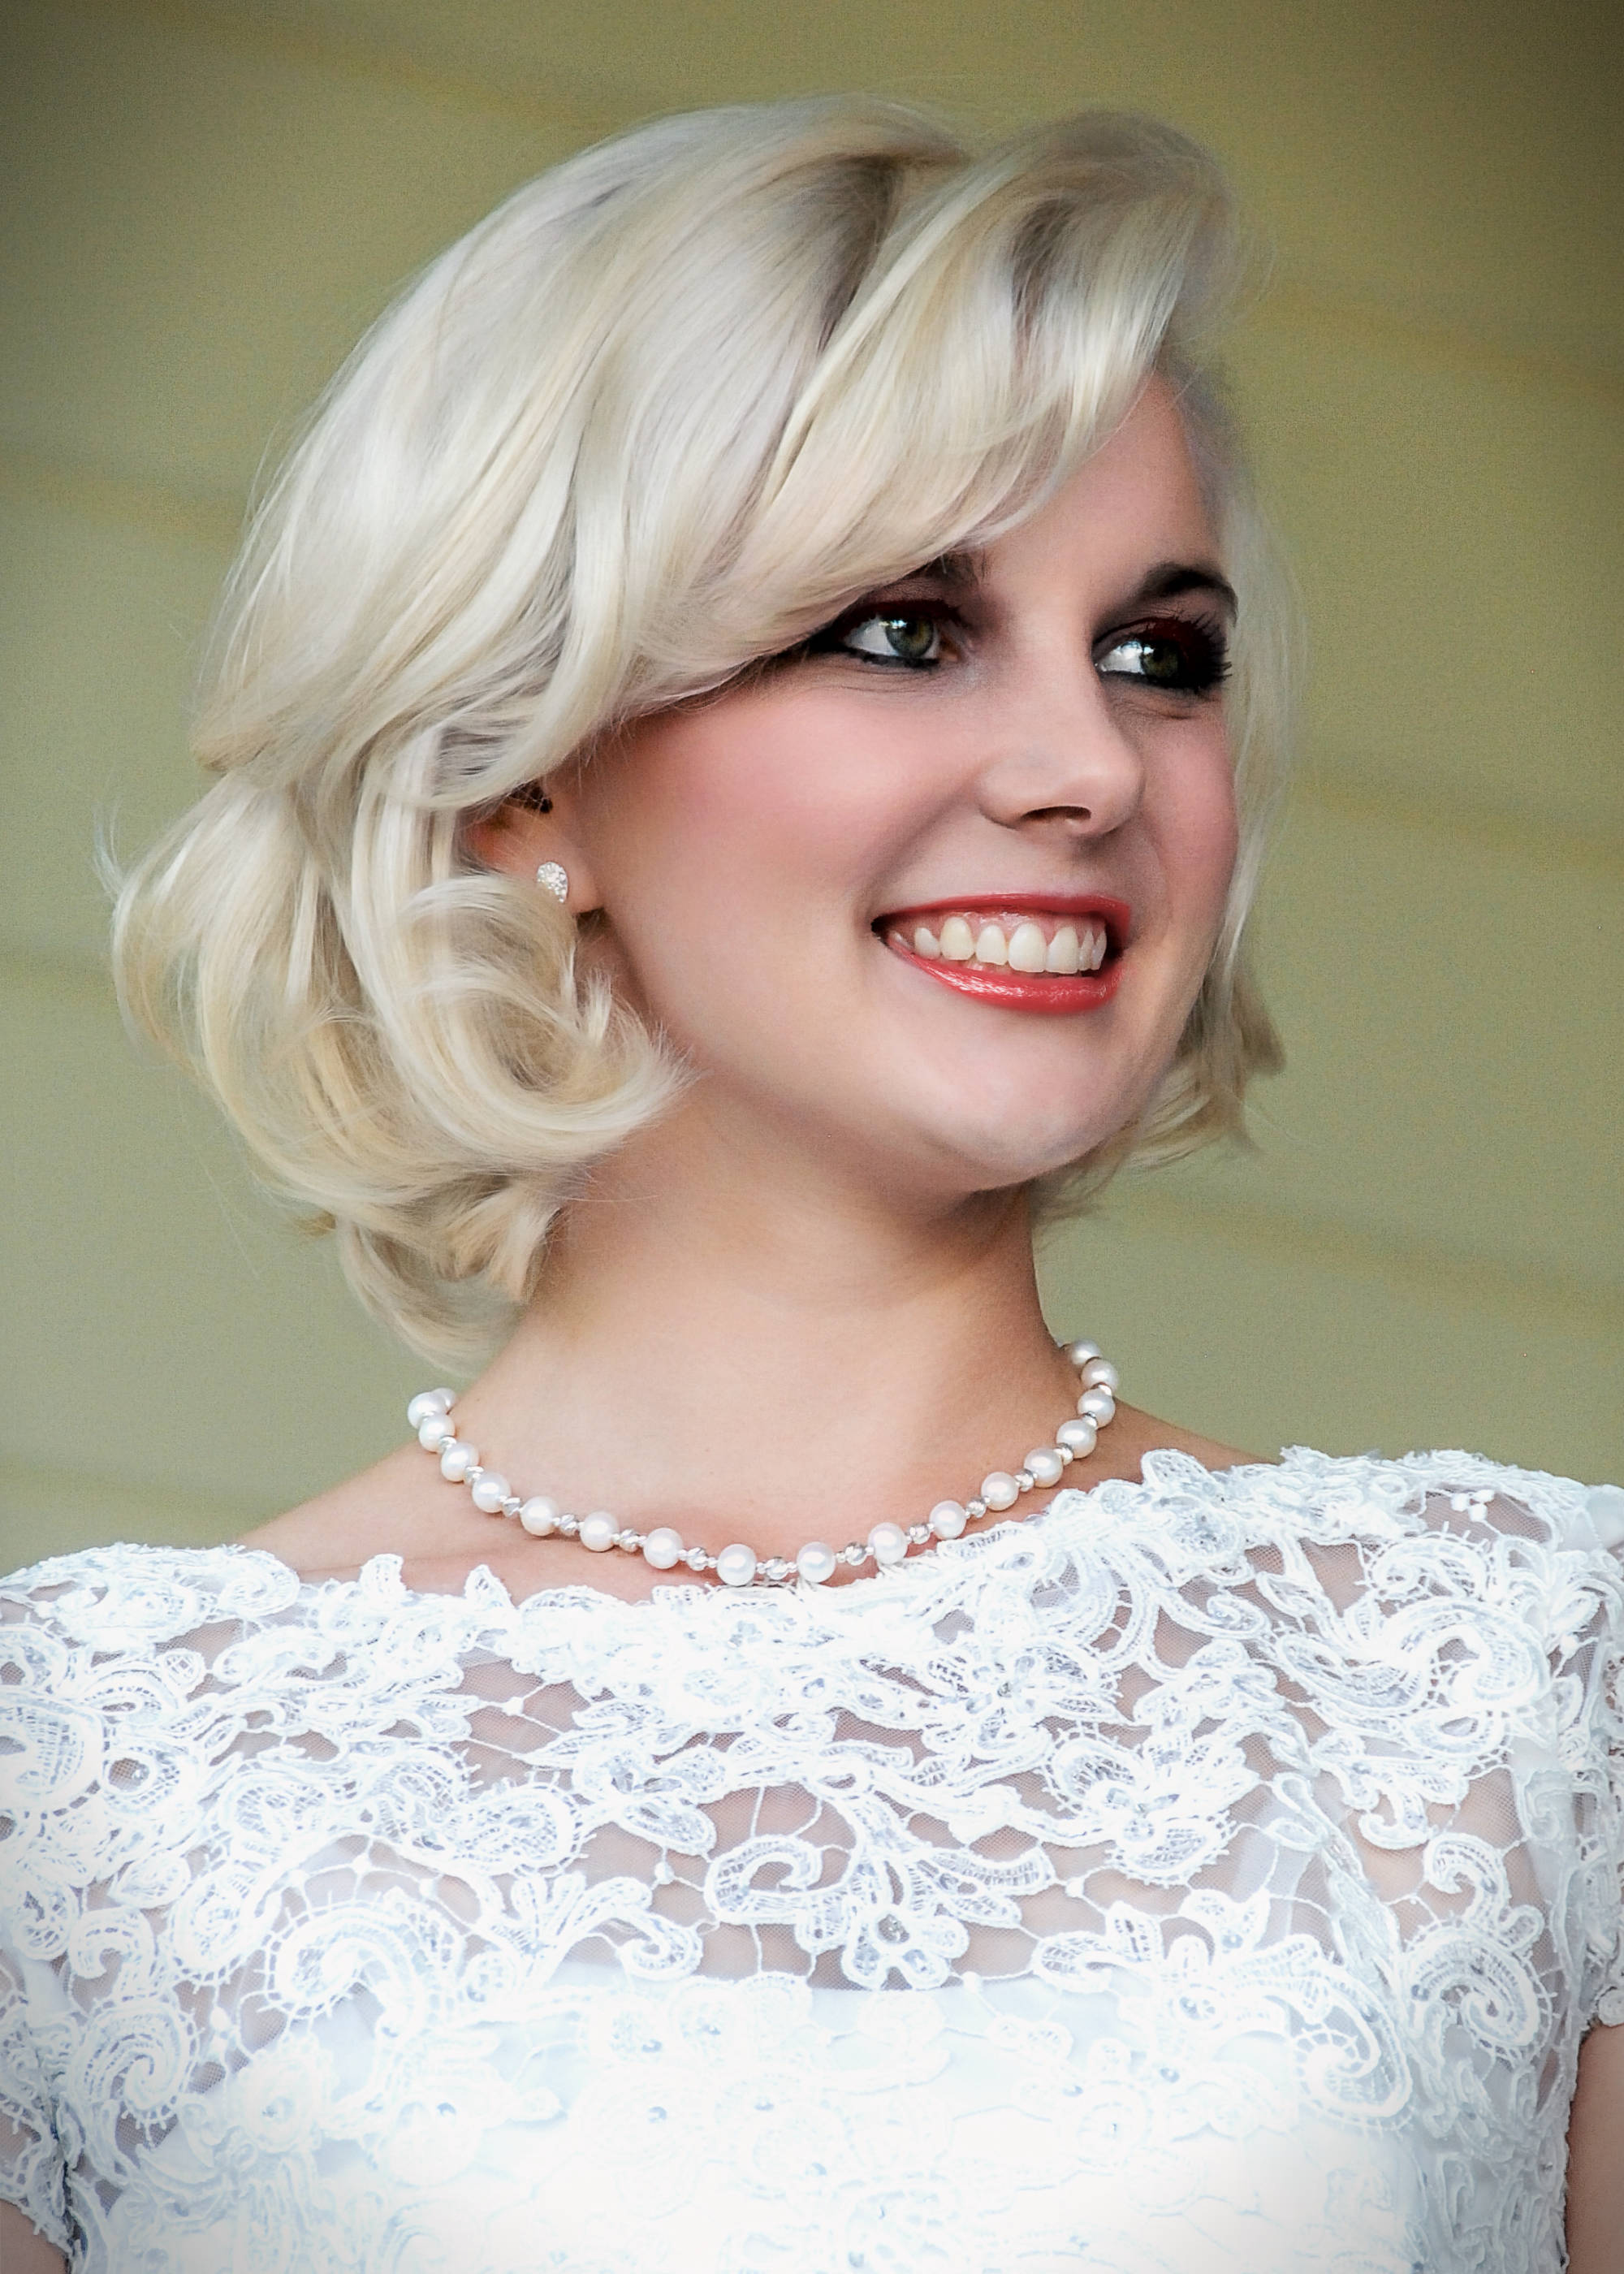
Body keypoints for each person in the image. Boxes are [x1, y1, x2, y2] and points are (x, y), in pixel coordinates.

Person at [0, 97, 1618, 2274]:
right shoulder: (73, 1782)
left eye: (1164, 656)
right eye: (901, 628)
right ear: (526, 767)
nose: (1082, 772)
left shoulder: (1519, 1682)